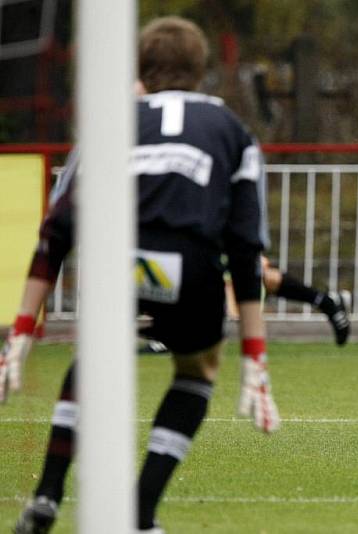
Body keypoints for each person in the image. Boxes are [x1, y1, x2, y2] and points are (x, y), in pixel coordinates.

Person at [1, 17, 279, 533]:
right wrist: (255, 357)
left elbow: (56, 230)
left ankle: (47, 493)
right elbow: (244, 248)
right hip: (191, 270)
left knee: (95, 358)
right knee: (196, 371)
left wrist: (20, 331)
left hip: (119, 262)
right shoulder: (233, 131)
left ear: (141, 73)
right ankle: (142, 511)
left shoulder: (113, 119)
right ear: (201, 72)